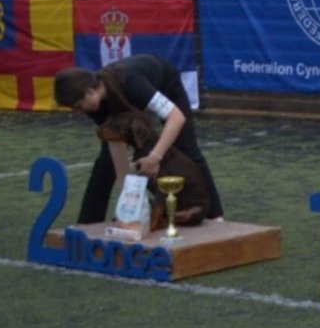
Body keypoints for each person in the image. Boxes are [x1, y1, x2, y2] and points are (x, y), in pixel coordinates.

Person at [54, 54, 225, 224]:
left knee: (186, 147)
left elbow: (176, 118)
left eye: (78, 106)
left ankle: (215, 216)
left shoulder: (132, 82)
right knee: (105, 162)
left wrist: (155, 157)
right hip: (127, 101)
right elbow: (115, 140)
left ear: (89, 92)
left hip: (166, 85)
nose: (79, 112)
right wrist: (125, 192)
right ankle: (87, 224)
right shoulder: (94, 105)